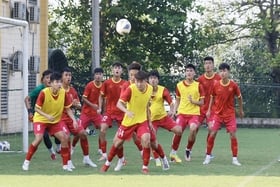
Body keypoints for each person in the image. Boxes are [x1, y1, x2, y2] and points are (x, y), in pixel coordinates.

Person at [22, 72, 77, 172]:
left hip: (54, 121)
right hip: (41, 119)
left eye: (60, 81)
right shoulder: (44, 92)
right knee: (39, 138)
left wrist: (74, 120)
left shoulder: (63, 93)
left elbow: (68, 109)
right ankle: (26, 162)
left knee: (64, 138)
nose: (59, 84)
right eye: (56, 82)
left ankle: (65, 165)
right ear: (51, 83)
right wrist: (47, 116)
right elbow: (36, 109)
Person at [100, 70, 153, 174]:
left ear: (145, 81)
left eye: (141, 81)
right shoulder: (131, 89)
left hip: (142, 120)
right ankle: (107, 164)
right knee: (117, 143)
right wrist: (127, 111)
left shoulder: (150, 89)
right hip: (129, 121)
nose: (138, 83)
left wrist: (149, 121)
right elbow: (119, 104)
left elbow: (146, 105)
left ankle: (145, 167)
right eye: (137, 81)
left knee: (146, 139)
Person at [203, 63, 244, 166]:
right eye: (221, 71)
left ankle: (234, 159)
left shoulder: (233, 85)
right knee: (212, 133)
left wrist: (240, 110)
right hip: (217, 114)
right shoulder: (216, 84)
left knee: (233, 135)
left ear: (228, 72)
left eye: (224, 71)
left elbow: (239, 97)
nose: (222, 73)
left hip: (230, 114)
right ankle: (208, 156)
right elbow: (212, 97)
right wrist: (208, 110)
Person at [60, 67, 97, 168]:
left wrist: (76, 105)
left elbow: (79, 105)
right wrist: (71, 104)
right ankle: (68, 161)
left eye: (70, 75)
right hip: (60, 119)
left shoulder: (72, 90)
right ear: (62, 77)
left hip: (71, 118)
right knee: (66, 137)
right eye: (66, 75)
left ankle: (86, 158)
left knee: (83, 133)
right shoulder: (58, 90)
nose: (68, 77)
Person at [169, 63, 204, 163]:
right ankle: (173, 152)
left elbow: (202, 102)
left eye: (191, 71)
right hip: (182, 113)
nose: (189, 73)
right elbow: (177, 100)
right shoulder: (179, 85)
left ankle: (188, 149)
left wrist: (193, 101)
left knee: (193, 129)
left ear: (194, 73)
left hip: (194, 114)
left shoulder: (198, 86)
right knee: (178, 130)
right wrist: (175, 111)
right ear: (185, 73)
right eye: (187, 71)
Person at [24, 69, 61, 160]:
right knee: (43, 135)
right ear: (42, 80)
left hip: (52, 115)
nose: (49, 79)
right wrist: (30, 112)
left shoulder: (57, 89)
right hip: (39, 116)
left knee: (59, 131)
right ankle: (52, 152)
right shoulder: (39, 89)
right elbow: (27, 99)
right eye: (47, 77)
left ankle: (59, 148)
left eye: (50, 77)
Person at [148, 70, 182, 167]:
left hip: (163, 118)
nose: (153, 80)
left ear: (158, 80)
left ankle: (173, 152)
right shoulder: (145, 90)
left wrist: (172, 110)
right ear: (148, 80)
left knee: (179, 130)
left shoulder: (163, 90)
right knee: (152, 139)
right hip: (151, 120)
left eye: (155, 78)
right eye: (151, 78)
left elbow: (171, 102)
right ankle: (156, 158)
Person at [98, 62, 127, 164]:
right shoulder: (106, 83)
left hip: (121, 113)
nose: (117, 70)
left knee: (121, 137)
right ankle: (104, 154)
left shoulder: (125, 83)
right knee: (102, 129)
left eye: (119, 68)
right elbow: (101, 96)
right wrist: (99, 108)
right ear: (112, 70)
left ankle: (123, 158)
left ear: (122, 71)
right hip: (109, 112)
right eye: (115, 68)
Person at [71, 67, 103, 152]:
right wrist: (93, 105)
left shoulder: (103, 86)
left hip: (96, 114)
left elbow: (102, 98)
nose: (98, 76)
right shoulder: (90, 85)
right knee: (79, 131)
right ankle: (72, 147)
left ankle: (100, 149)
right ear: (94, 76)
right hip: (86, 113)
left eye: (100, 74)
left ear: (102, 76)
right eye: (96, 74)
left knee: (103, 129)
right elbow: (83, 99)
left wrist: (100, 108)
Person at [197, 56, 221, 158]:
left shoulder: (218, 78)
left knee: (212, 129)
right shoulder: (200, 79)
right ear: (204, 65)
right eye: (206, 63)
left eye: (209, 63)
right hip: (200, 108)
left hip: (213, 110)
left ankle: (208, 151)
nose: (208, 65)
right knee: (194, 129)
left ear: (213, 65)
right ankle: (188, 150)